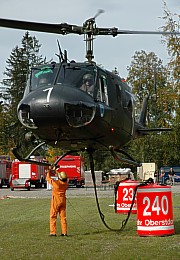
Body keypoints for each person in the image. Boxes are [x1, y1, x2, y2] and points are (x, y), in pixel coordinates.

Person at [46, 166, 68, 237]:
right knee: (63, 217)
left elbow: (48, 178)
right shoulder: (65, 183)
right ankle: (64, 232)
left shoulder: (56, 184)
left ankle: (53, 232)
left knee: (53, 216)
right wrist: (55, 171)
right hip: (63, 201)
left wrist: (49, 170)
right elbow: (60, 177)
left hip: (56, 201)